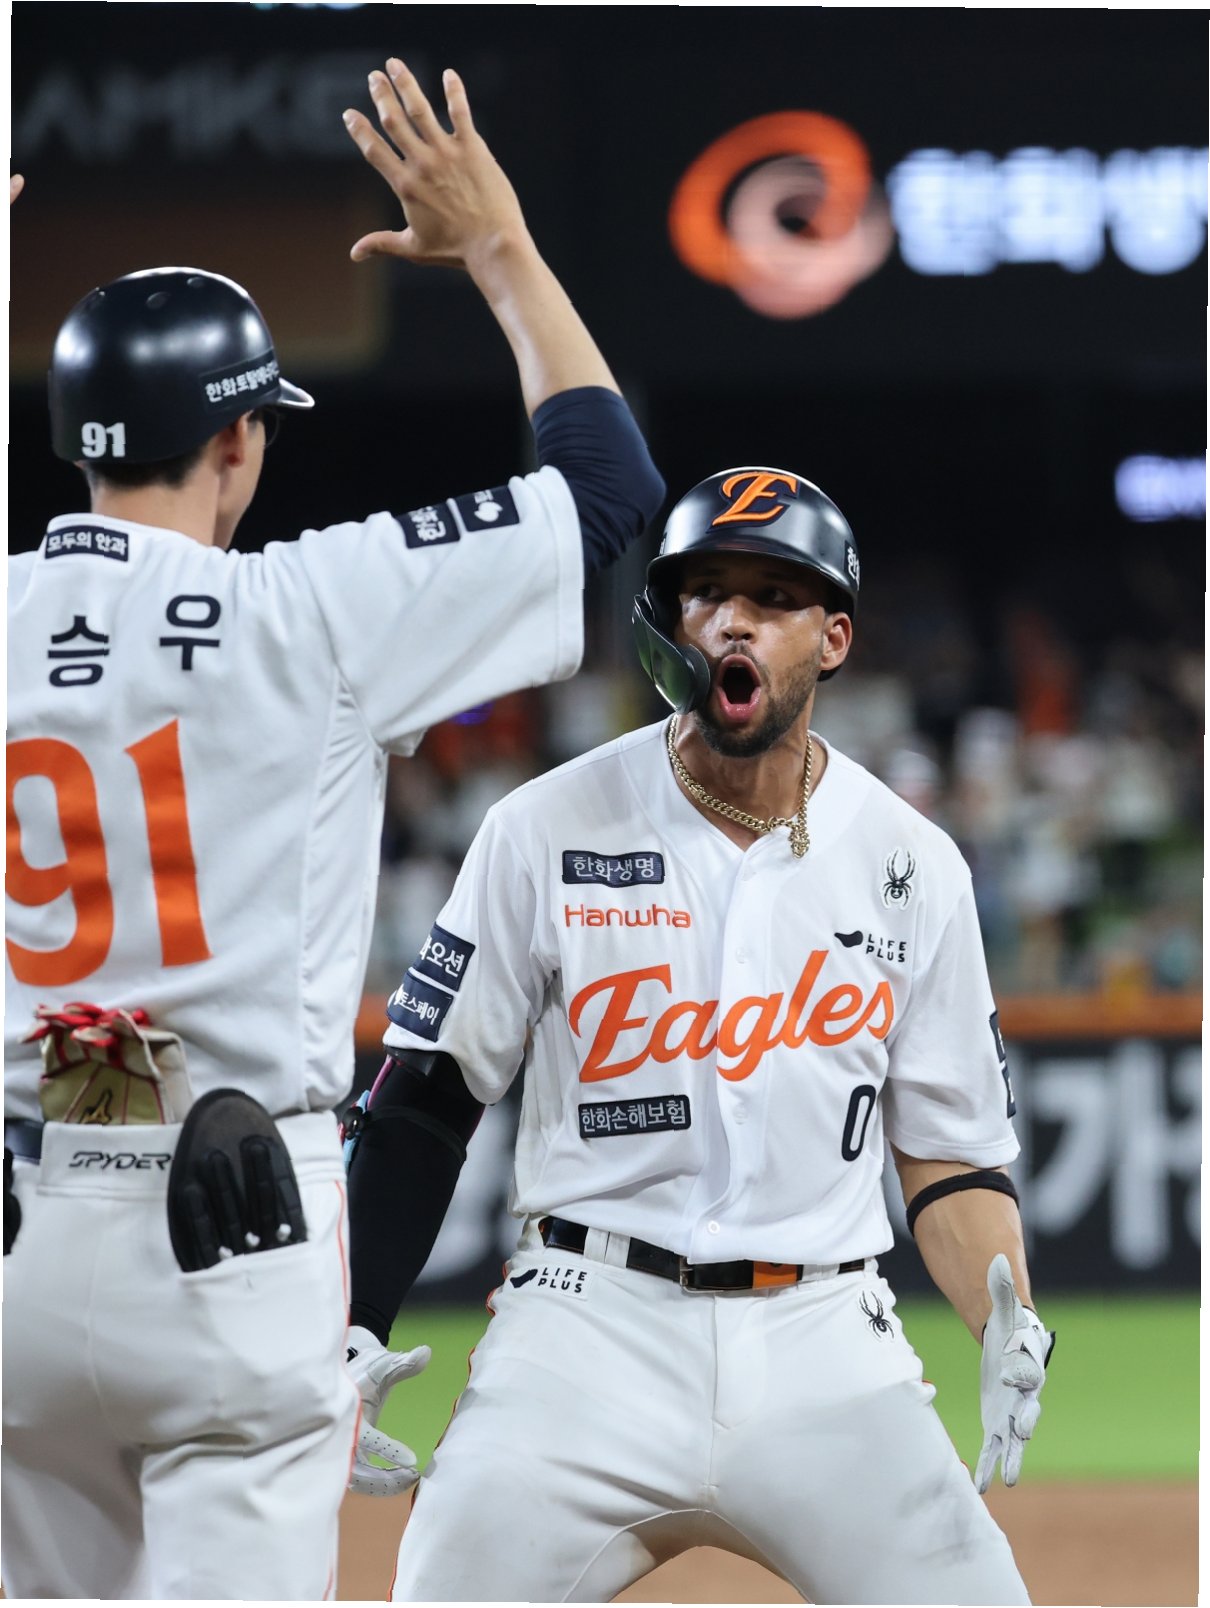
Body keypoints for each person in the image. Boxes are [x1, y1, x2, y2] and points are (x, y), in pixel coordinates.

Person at [2, 57, 663, 1602]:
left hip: (22, 1228)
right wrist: (499, 246)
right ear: (238, 444)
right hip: (231, 1238)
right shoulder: (307, 613)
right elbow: (608, 488)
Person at [345, 467, 1054, 1604]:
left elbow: (950, 1156)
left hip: (826, 1338)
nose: (733, 619)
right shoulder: (542, 828)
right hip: (583, 1333)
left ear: (832, 639)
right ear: (670, 625)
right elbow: (425, 1097)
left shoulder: (912, 864)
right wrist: (351, 1319)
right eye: (706, 591)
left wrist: (1002, 1321)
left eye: (773, 597)